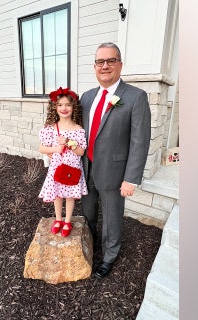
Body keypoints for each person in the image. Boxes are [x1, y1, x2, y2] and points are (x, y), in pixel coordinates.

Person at [80, 42, 151, 278]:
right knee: (88, 213)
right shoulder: (87, 97)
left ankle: (109, 256)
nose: (105, 66)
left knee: (111, 219)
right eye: (100, 61)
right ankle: (89, 245)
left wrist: (131, 178)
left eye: (111, 60)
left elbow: (140, 141)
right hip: (85, 169)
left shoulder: (135, 97)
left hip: (114, 172)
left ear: (120, 64)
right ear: (94, 66)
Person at [38, 87, 88, 237]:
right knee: (58, 195)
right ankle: (58, 219)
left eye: (67, 105)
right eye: (60, 105)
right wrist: (54, 149)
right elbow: (41, 147)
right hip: (57, 168)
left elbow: (81, 151)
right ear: (55, 107)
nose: (64, 108)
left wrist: (68, 142)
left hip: (72, 168)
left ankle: (67, 221)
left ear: (73, 107)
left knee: (70, 196)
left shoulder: (78, 129)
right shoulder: (51, 128)